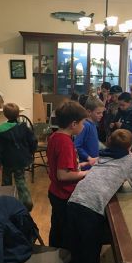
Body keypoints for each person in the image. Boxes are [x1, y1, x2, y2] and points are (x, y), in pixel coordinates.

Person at [65, 129, 132, 263]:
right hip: (91, 209)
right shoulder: (129, 159)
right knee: (90, 259)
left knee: (76, 252)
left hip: (73, 202)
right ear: (130, 147)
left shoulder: (103, 154)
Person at [47, 100, 89, 248]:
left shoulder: (55, 136)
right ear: (73, 124)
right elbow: (63, 175)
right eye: (83, 123)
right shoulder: (65, 142)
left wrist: (79, 167)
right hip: (63, 194)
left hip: (55, 191)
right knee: (65, 232)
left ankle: (54, 256)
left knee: (57, 228)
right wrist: (85, 174)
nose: (83, 127)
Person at [0, 103, 37, 211]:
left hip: (7, 161)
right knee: (20, 180)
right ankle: (26, 202)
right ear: (18, 114)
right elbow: (33, 141)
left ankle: (6, 203)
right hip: (20, 160)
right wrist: (31, 152)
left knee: (6, 182)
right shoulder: (23, 127)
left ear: (5, 115)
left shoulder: (0, 130)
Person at [74, 98, 105, 170]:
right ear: (89, 112)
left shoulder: (93, 125)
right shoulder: (86, 125)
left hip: (92, 165)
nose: (101, 115)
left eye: (102, 112)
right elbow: (76, 146)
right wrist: (89, 158)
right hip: (86, 166)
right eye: (98, 113)